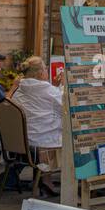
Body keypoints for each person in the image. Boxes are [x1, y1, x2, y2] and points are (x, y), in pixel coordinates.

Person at [7, 56, 64, 196]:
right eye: (45, 69)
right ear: (39, 73)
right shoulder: (46, 89)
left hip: (23, 142)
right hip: (42, 144)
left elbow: (43, 104)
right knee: (74, 136)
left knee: (46, 126)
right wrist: (63, 85)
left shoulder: (19, 90)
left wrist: (56, 88)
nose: (47, 71)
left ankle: (45, 181)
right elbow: (65, 106)